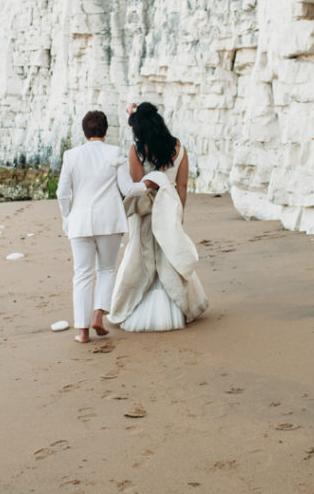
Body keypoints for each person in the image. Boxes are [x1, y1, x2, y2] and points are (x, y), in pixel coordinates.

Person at [108, 102, 208, 331]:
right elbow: (182, 185)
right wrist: (178, 214)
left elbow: (136, 185)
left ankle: (134, 304)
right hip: (169, 208)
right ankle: (177, 306)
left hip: (146, 212)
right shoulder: (178, 147)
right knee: (169, 256)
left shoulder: (137, 149)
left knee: (140, 257)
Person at [56, 110, 152, 343]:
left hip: (79, 223)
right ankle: (99, 314)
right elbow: (128, 189)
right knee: (107, 270)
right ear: (106, 131)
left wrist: (67, 217)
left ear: (84, 131)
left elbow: (62, 193)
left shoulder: (71, 155)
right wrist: (149, 184)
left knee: (82, 274)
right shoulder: (114, 153)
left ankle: (83, 331)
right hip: (109, 221)